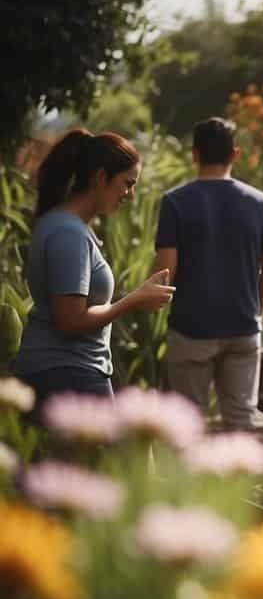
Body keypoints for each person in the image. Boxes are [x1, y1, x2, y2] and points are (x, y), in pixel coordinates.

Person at [12, 129, 175, 416]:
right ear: (100, 177)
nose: (131, 195)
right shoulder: (68, 234)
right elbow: (70, 320)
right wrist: (135, 300)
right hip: (68, 376)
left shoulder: (66, 227)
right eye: (127, 184)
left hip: (65, 373)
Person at [153, 117, 263, 428]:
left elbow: (165, 273)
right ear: (235, 154)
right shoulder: (259, 203)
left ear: (194, 154)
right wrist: (257, 309)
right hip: (242, 328)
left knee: (187, 426)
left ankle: (188, 479)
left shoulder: (175, 203)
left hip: (191, 329)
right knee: (241, 423)